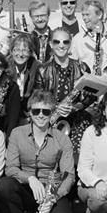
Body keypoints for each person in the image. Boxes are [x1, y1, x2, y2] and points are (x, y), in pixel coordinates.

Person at [0, 90, 76, 213]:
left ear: (52, 113)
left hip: (50, 190)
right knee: (4, 185)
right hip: (27, 187)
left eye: (45, 111)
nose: (40, 115)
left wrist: (53, 198)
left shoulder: (62, 139)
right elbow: (11, 168)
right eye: (36, 111)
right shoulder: (17, 133)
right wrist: (30, 178)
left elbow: (68, 175)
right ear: (30, 113)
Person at [34, 28, 93, 156]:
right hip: (52, 117)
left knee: (78, 155)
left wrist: (77, 106)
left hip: (77, 118)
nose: (61, 45)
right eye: (57, 42)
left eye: (65, 42)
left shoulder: (82, 67)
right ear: (50, 44)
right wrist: (55, 107)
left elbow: (91, 96)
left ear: (70, 44)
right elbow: (37, 98)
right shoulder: (42, 70)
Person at [71, 0, 107, 75]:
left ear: (99, 15)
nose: (84, 18)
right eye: (83, 15)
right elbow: (72, 66)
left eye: (87, 15)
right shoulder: (77, 39)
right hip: (87, 84)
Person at [8, 33, 41, 110]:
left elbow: (38, 91)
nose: (20, 54)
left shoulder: (36, 66)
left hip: (28, 109)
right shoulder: (5, 66)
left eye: (25, 50)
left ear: (30, 53)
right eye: (17, 50)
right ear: (11, 51)